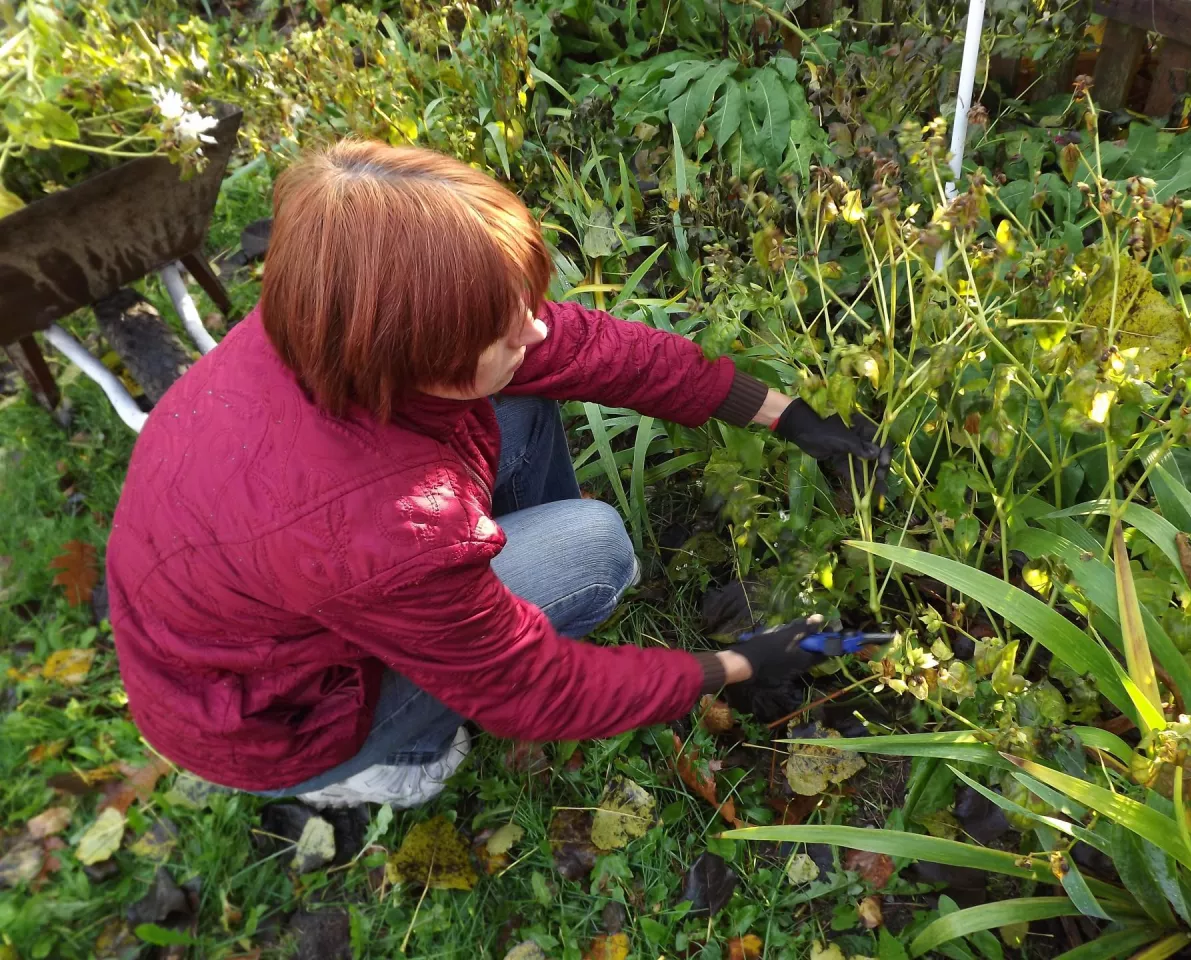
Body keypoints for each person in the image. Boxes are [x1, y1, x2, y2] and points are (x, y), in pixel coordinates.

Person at [106, 140, 884, 809]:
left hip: (248, 607)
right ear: (421, 352)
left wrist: (782, 413)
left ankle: (509, 594)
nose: (537, 324)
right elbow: (533, 690)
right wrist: (740, 663)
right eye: (502, 324)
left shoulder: (332, 321)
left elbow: (580, 347)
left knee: (520, 394)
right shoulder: (386, 525)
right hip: (270, 721)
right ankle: (394, 765)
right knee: (597, 548)